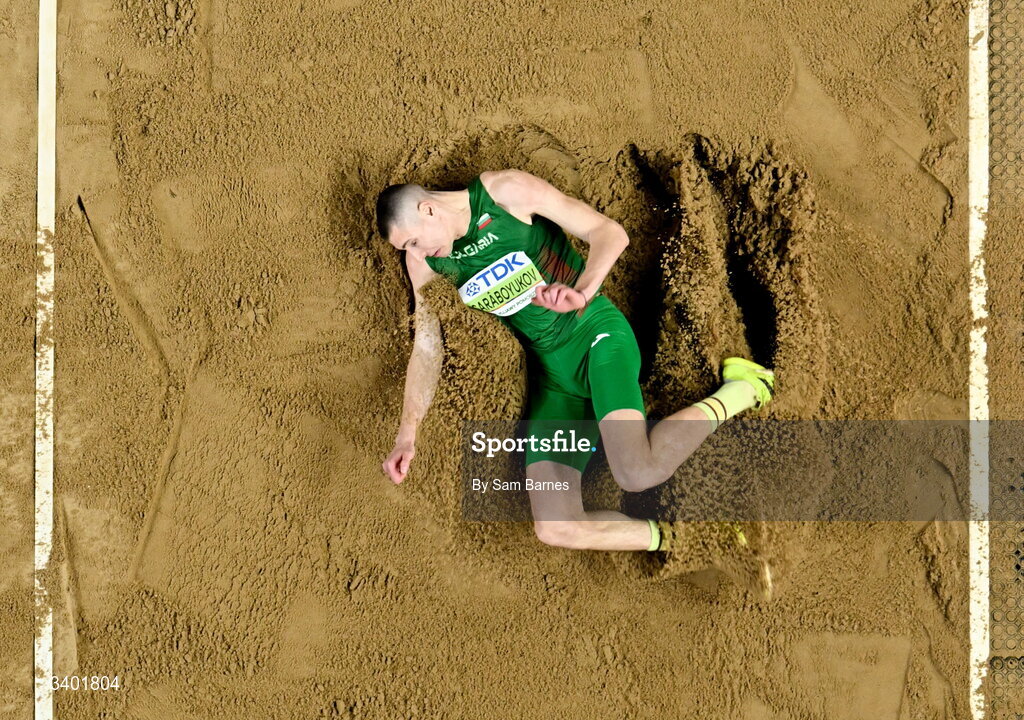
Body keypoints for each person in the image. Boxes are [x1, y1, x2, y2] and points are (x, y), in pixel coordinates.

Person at [376, 169, 775, 598]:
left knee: (635, 471)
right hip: (554, 379)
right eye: (407, 249)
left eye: (412, 240)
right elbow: (427, 348)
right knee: (555, 525)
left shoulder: (506, 194)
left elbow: (610, 233)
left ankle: (744, 388)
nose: (414, 252)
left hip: (596, 338)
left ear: (428, 208)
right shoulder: (425, 262)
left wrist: (582, 292)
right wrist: (407, 433)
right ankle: (691, 537)